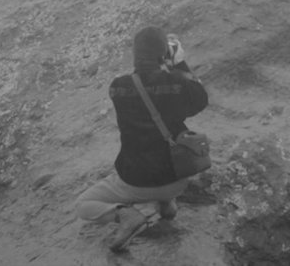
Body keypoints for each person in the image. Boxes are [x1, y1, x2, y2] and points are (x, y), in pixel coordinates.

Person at [75, 27, 208, 252]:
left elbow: (140, 85)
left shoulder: (117, 87)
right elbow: (200, 99)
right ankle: (166, 205)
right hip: (177, 178)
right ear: (163, 55)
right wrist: (178, 63)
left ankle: (126, 215)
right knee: (162, 150)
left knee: (83, 204)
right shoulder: (176, 82)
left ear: (135, 55)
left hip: (136, 183)